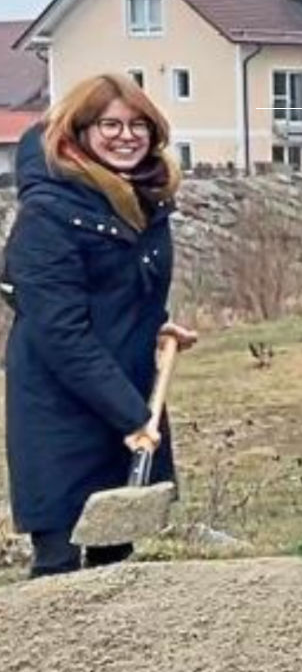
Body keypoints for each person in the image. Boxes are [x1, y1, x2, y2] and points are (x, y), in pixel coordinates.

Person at [3, 73, 196, 578]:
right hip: (60, 408)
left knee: (116, 558)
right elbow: (59, 332)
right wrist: (132, 417)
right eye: (109, 123)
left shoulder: (143, 202)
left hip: (126, 393)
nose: (125, 135)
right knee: (61, 564)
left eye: (138, 124)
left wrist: (161, 326)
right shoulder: (47, 215)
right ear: (79, 132)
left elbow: (125, 292)